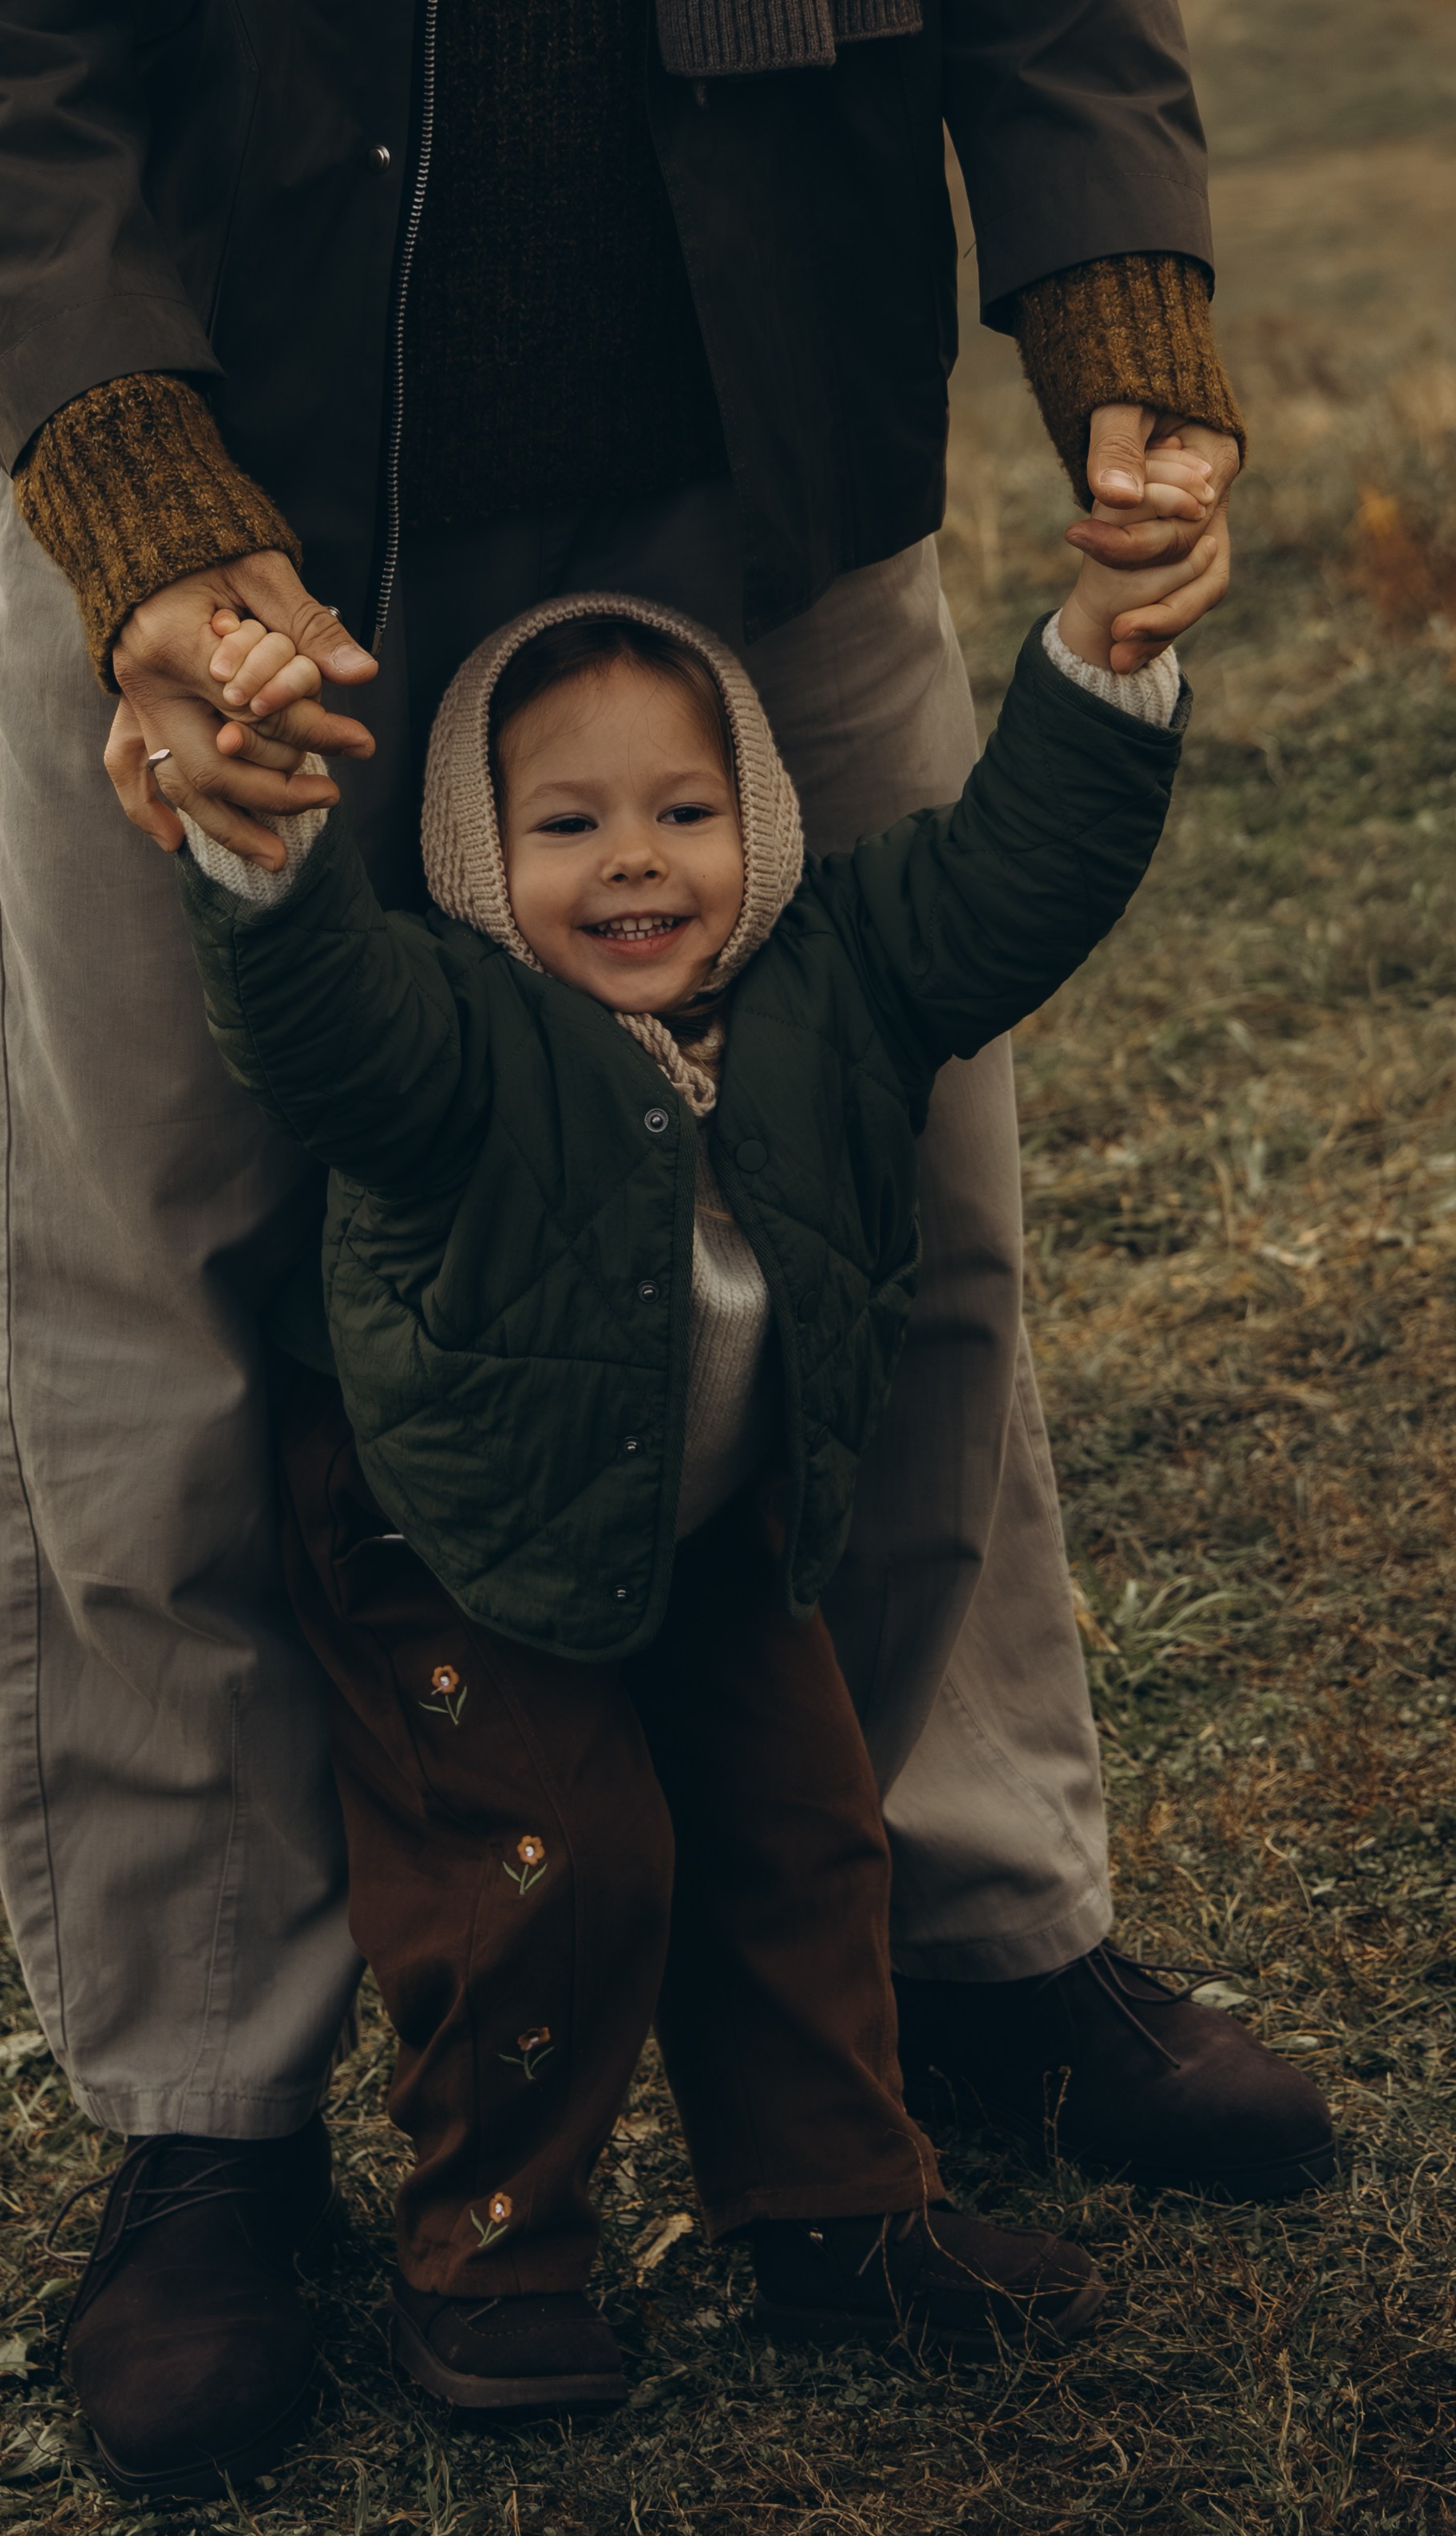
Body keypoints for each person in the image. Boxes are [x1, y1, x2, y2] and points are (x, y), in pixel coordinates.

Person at [0, 0, 1333, 2495]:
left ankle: (949, 1950)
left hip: (764, 430)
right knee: (161, 1277)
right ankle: (213, 2104)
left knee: (897, 1196)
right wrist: (120, 470)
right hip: (202, 463)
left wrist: (1120, 317)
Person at [148, 441, 1208, 2432]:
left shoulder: (835, 981)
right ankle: (496, 2247)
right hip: (447, 1532)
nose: (635, 859)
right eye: (567, 822)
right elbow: (313, 1025)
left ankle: (835, 2211)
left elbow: (1010, 879)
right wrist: (270, 858)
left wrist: (1100, 659)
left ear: (763, 818)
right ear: (475, 857)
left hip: (700, 1520)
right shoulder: (462, 1036)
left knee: (809, 1823)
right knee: (565, 1857)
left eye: (684, 808)